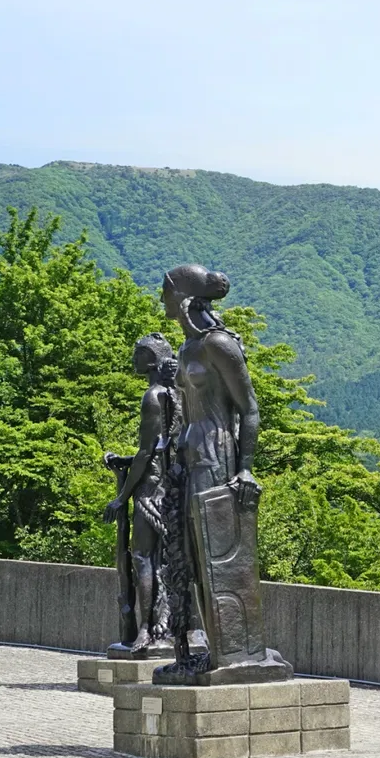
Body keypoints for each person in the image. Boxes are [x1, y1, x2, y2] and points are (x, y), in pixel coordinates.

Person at [159, 264, 290, 682]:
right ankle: (214, 651)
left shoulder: (218, 344)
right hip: (189, 455)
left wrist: (247, 469)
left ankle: (239, 653)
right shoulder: (185, 348)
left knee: (218, 556)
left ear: (181, 297)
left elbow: (249, 408)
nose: (161, 300)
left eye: (165, 292)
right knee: (193, 560)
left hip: (218, 456)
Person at [102, 332, 179, 655]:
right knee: (168, 559)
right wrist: (125, 462)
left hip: (152, 488)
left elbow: (148, 452)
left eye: (138, 354)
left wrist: (122, 497)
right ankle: (171, 626)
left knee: (143, 557)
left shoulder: (153, 396)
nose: (133, 359)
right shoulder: (178, 394)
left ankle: (147, 628)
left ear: (150, 360)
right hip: (174, 485)